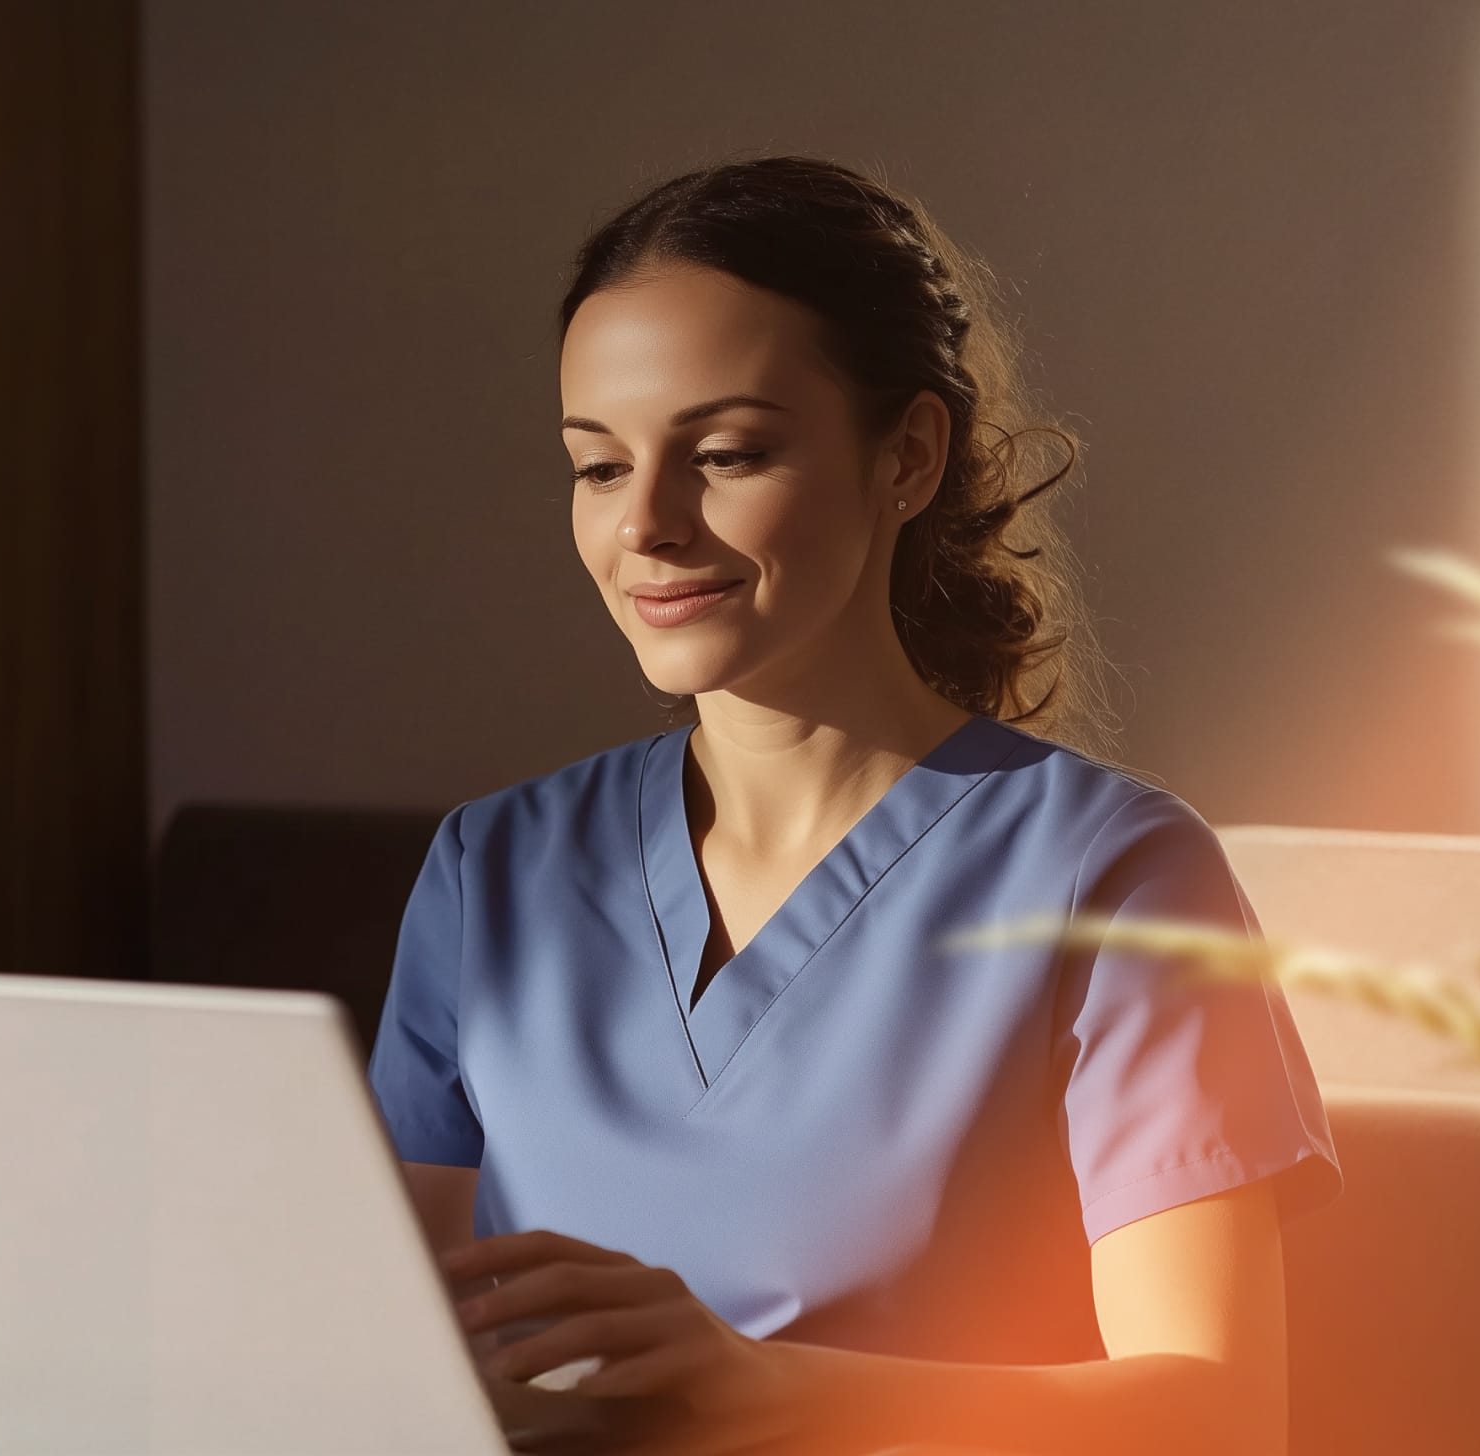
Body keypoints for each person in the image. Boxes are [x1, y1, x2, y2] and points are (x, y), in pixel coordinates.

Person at [368, 153, 1341, 1455]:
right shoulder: (494, 868)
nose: (645, 524)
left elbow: (1218, 1418)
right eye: (598, 467)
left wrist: (766, 1386)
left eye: (724, 453)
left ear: (909, 457)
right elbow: (381, 1354)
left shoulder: (1113, 876)